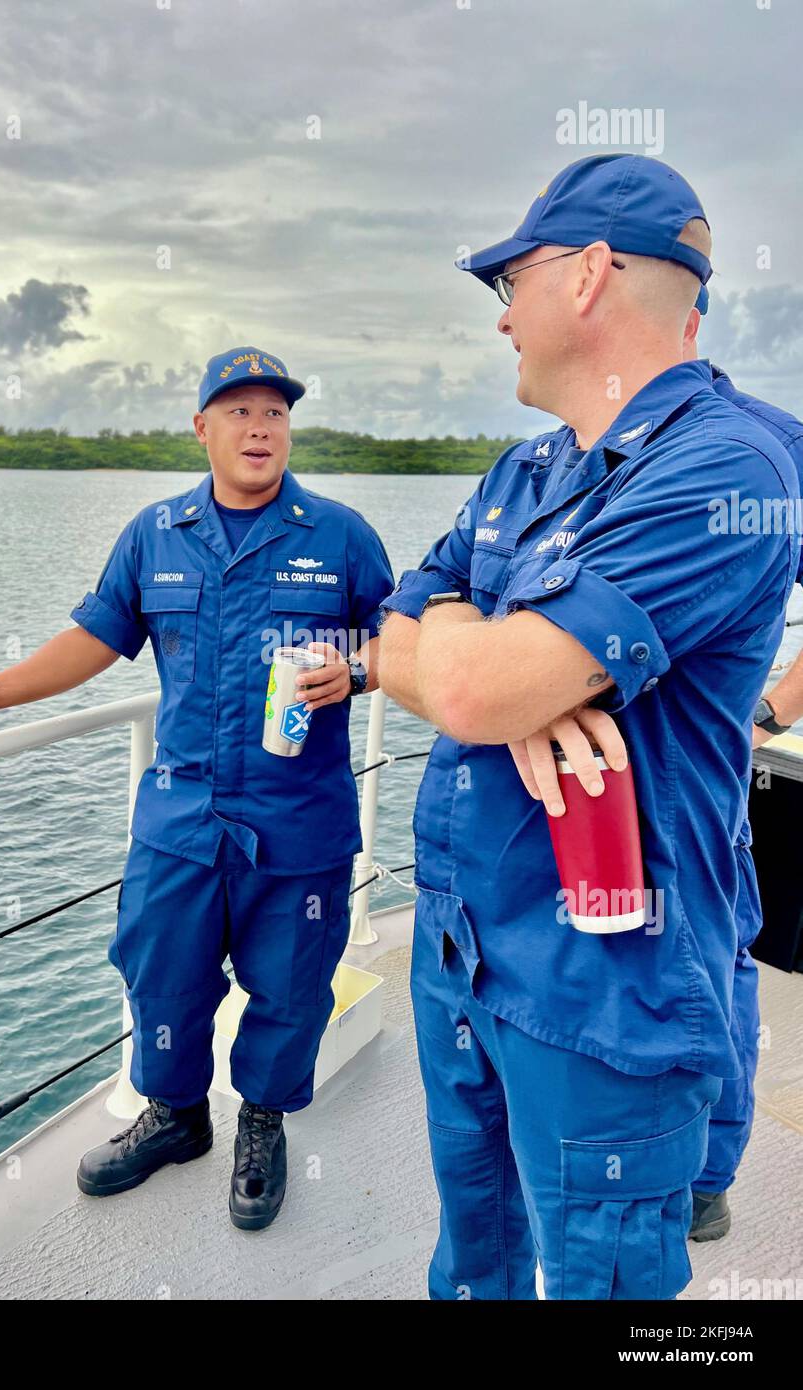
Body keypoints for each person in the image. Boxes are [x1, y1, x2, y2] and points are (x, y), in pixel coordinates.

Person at [378, 154, 800, 1299]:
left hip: (605, 977)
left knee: (604, 1282)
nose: (503, 316)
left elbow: (460, 685)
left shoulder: (726, 467)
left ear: (592, 273)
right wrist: (490, 670)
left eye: (511, 281)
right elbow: (392, 632)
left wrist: (479, 665)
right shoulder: (526, 469)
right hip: (465, 941)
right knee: (476, 1259)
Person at [0, 346, 394, 1232]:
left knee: (289, 988)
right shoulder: (155, 533)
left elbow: (401, 646)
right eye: (237, 411)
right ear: (202, 428)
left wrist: (354, 667)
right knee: (162, 978)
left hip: (297, 819)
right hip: (180, 818)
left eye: (274, 412)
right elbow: (94, 637)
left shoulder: (340, 535)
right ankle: (176, 1119)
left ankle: (262, 1125)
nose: (259, 427)